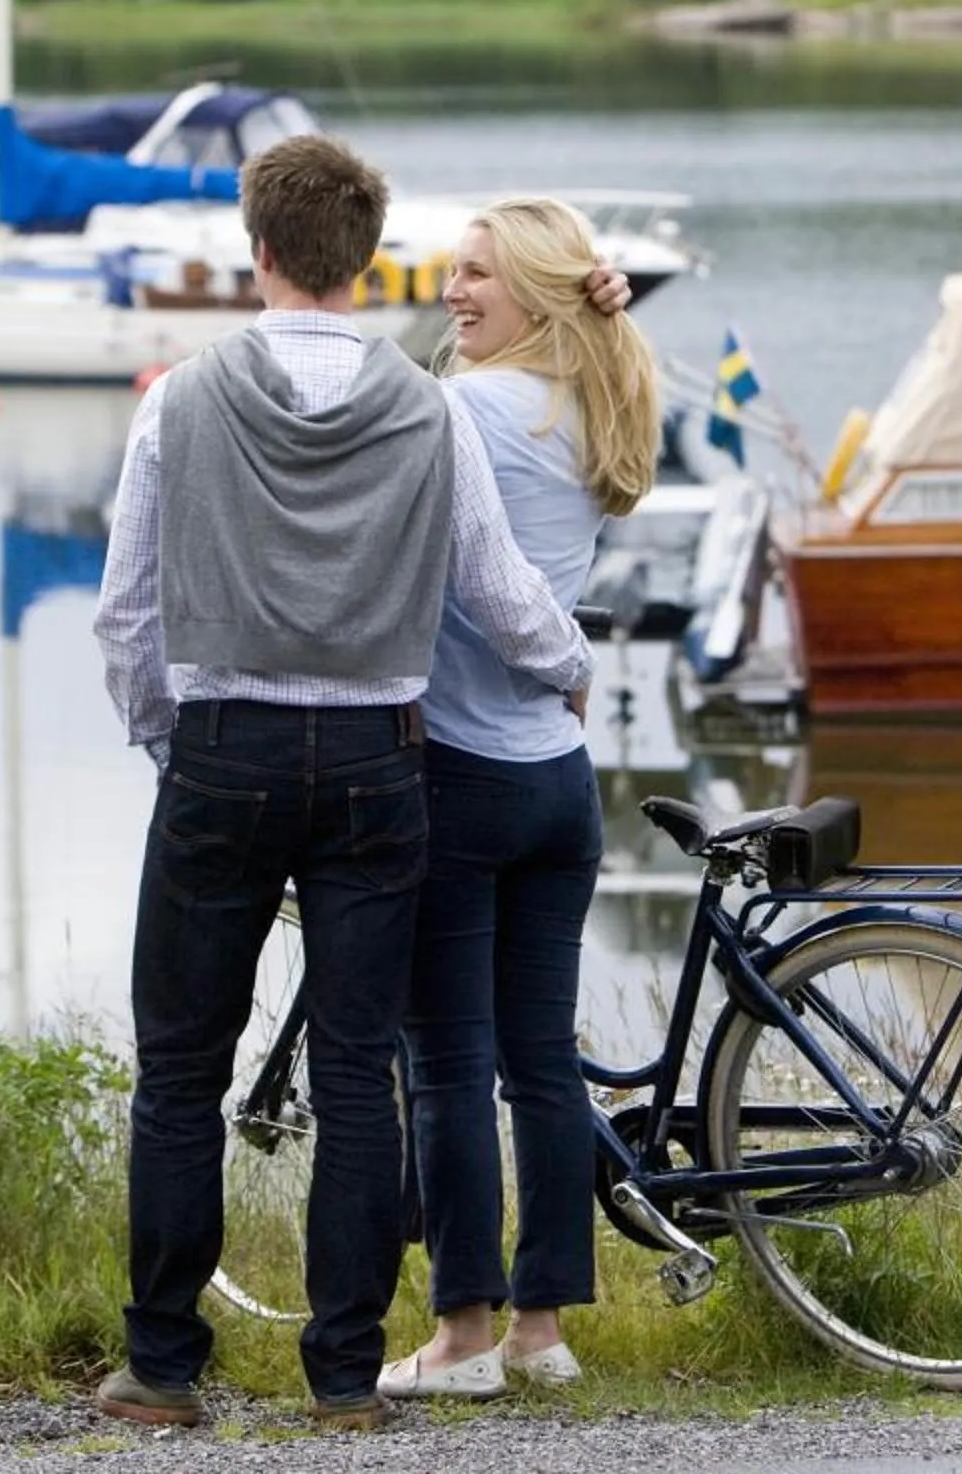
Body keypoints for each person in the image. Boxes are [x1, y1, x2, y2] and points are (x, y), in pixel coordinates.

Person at [87, 137, 597, 1432]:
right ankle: (339, 1375)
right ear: (368, 263)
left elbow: (126, 614)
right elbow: (498, 586)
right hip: (380, 760)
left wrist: (171, 740)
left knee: (181, 1068)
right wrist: (570, 667)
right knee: (360, 1073)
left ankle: (160, 1364)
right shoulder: (427, 408)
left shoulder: (179, 399)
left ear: (257, 250)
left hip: (224, 748)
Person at [380, 197, 659, 1402]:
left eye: (478, 274)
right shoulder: (596, 404)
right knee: (542, 1060)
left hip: (462, 766)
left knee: (448, 1064)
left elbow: (473, 585)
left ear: (539, 293)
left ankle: (460, 1336)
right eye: (453, 270)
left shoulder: (461, 409)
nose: (453, 290)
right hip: (559, 779)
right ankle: (544, 1327)